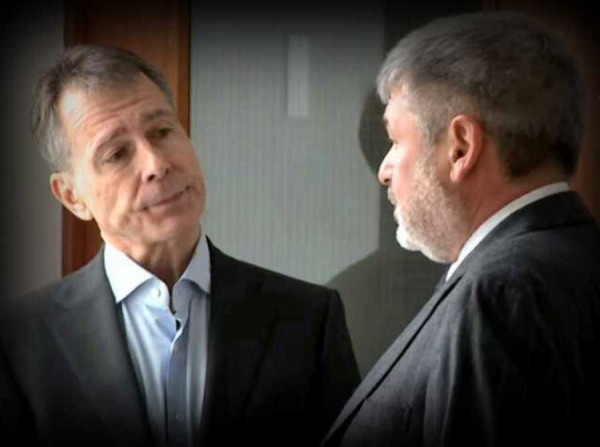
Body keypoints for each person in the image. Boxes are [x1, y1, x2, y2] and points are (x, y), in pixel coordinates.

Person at [0, 44, 359, 447]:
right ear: (72, 196)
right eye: (117, 154)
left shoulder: (308, 320)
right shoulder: (18, 343)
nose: (156, 164)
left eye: (162, 132)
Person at [322, 11, 600, 446]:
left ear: (461, 148)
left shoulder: (502, 292)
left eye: (394, 140)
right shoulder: (572, 261)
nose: (384, 170)